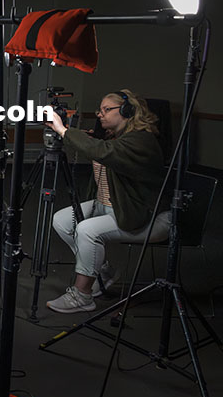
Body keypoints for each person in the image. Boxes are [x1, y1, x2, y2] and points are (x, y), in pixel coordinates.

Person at [45, 89, 169, 314]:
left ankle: (82, 295)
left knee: (87, 229)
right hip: (115, 207)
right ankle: (102, 270)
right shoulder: (115, 139)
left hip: (146, 215)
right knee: (62, 220)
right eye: (99, 110)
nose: (100, 115)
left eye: (106, 110)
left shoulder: (142, 140)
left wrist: (65, 130)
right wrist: (83, 138)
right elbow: (103, 150)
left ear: (127, 111)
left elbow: (105, 153)